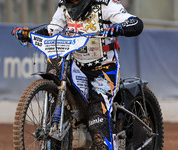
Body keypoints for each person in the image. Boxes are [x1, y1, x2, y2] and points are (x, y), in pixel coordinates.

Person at [13, 0, 143, 149]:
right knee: (55, 64)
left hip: (103, 68)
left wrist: (119, 27)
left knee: (97, 119)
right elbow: (52, 30)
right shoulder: (64, 6)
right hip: (76, 64)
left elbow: (135, 23)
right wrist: (29, 34)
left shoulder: (105, 4)